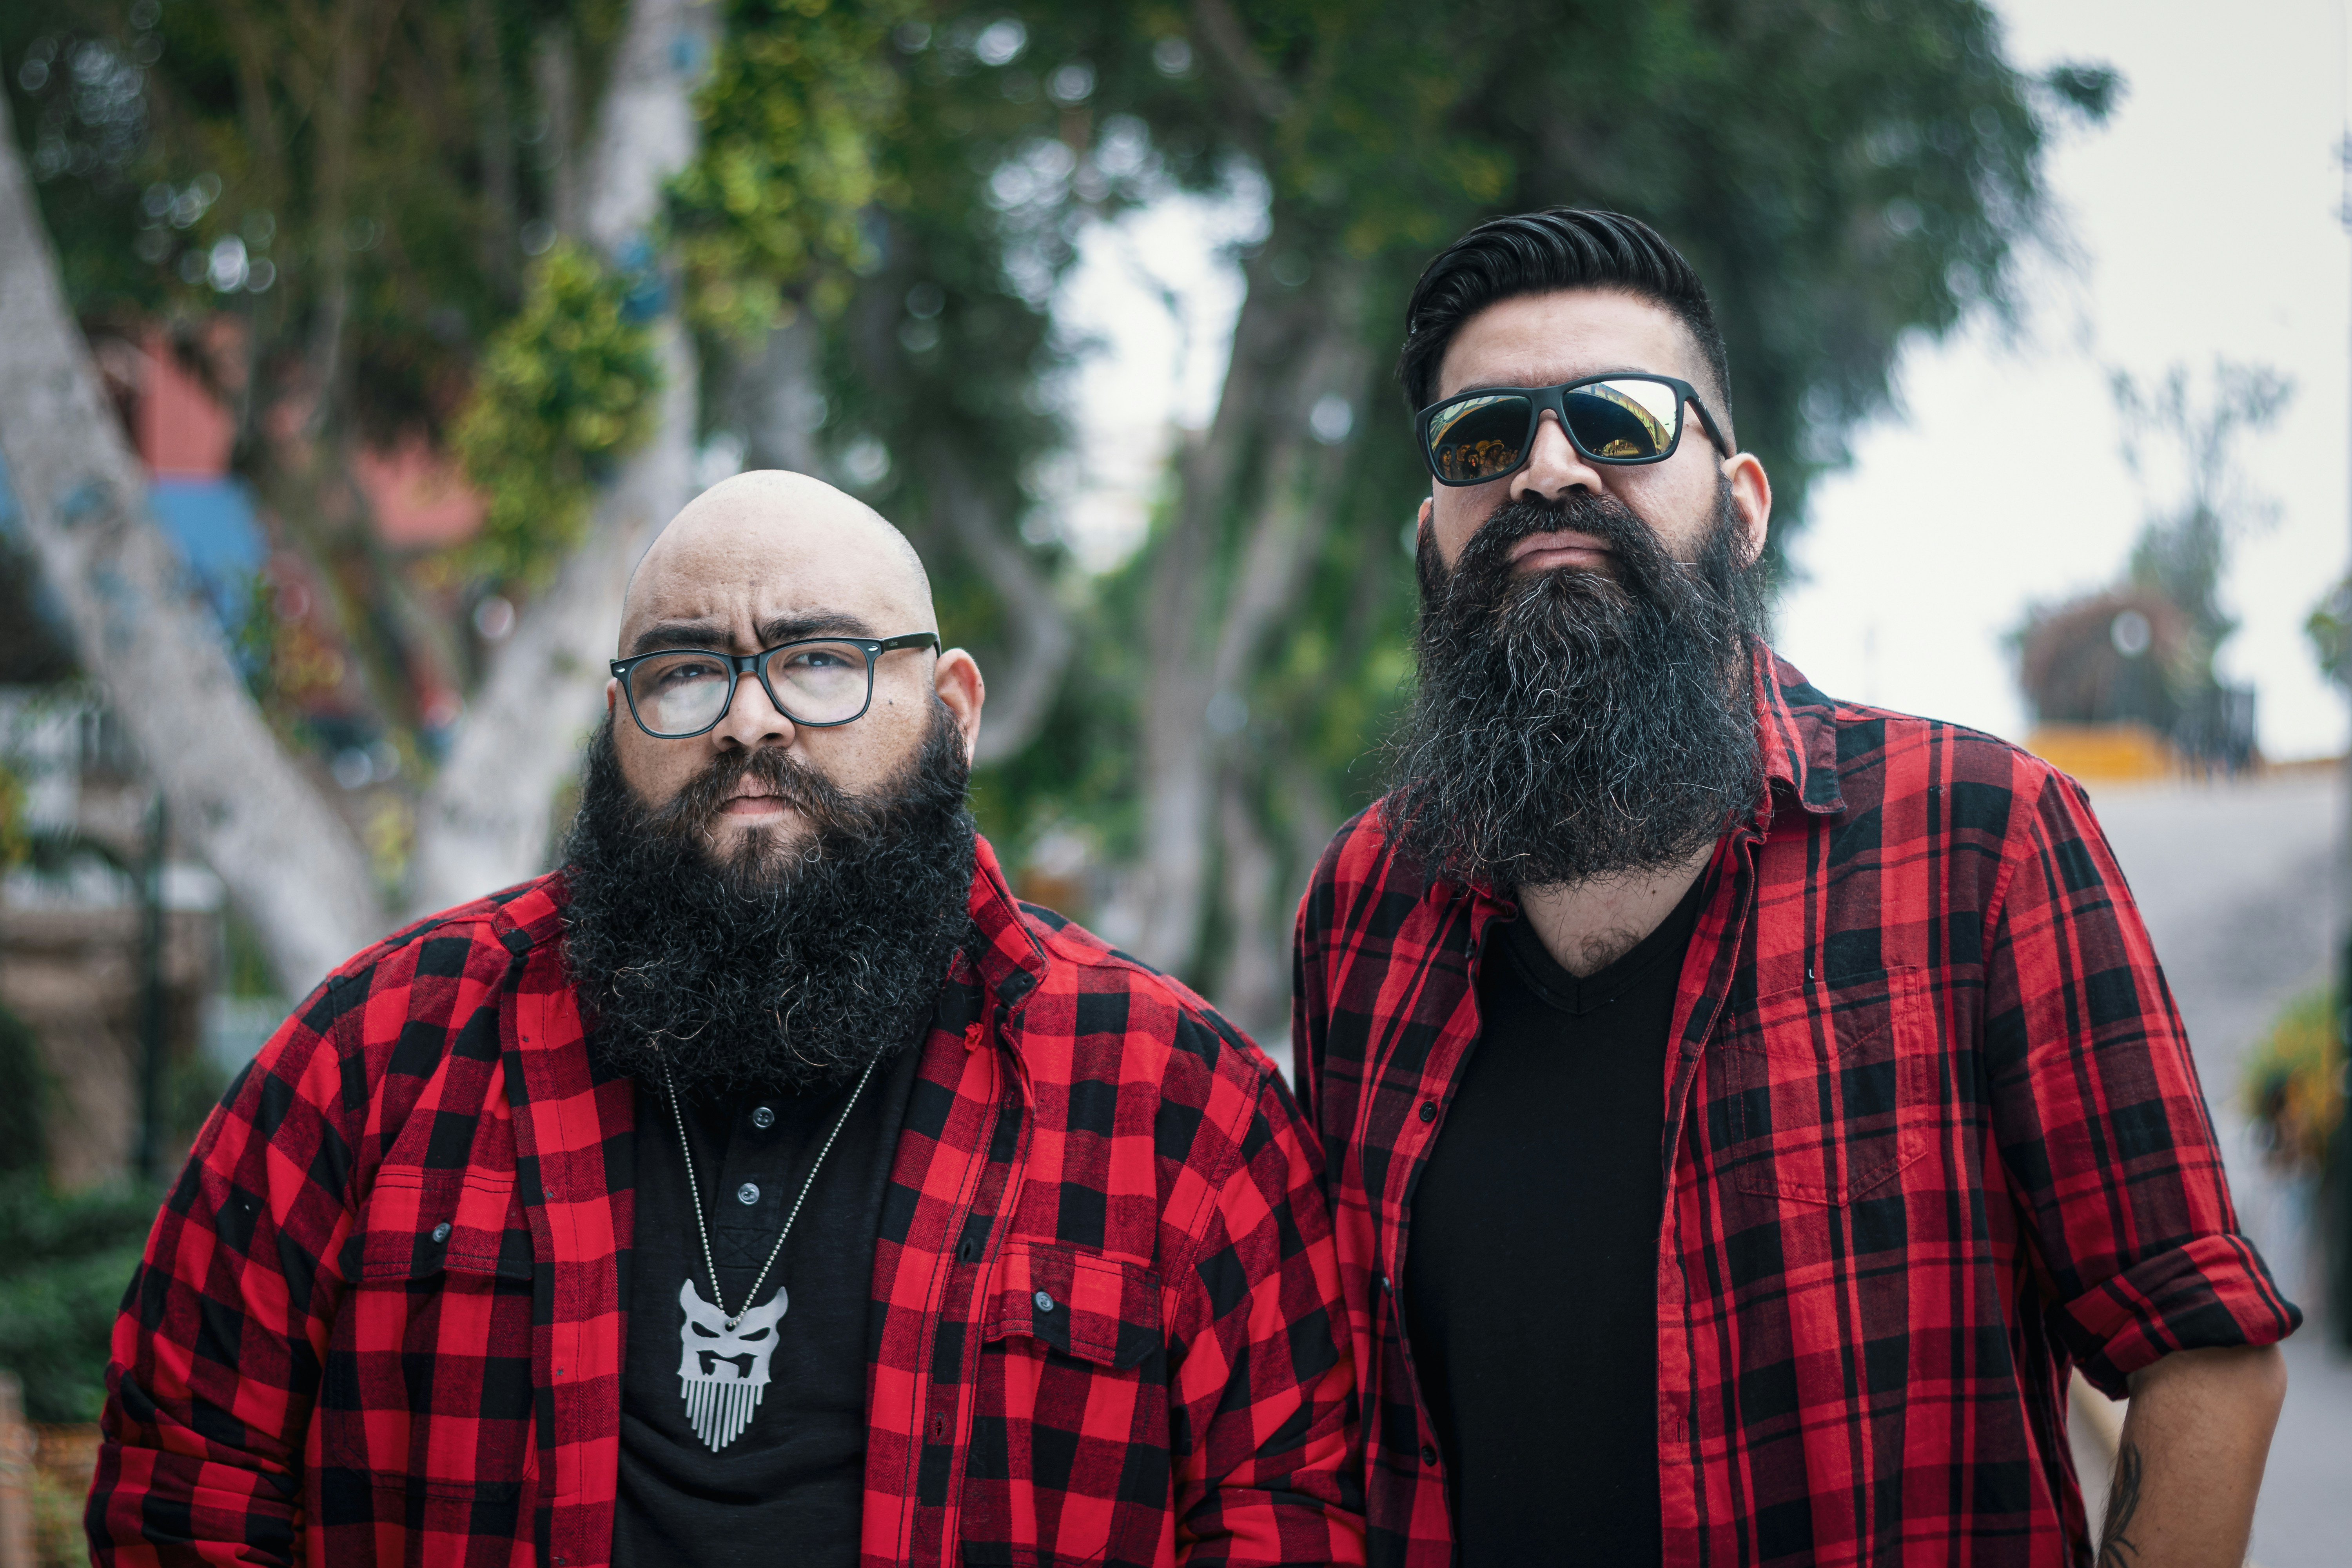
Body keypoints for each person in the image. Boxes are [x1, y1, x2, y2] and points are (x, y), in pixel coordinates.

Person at [89, 471, 1365, 1568]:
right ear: (616, 725)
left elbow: (1292, 1518)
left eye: (821, 660)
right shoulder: (375, 1055)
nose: (752, 719)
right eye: (688, 671)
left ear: (955, 714)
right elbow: (185, 1480)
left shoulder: (1183, 1109)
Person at [1290, 209, 2298, 1568]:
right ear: (1435, 531)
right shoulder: (1361, 907)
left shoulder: (1982, 838)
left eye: (1621, 420)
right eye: (1482, 438)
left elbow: (2205, 1357)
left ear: (1746, 504)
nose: (1544, 469)